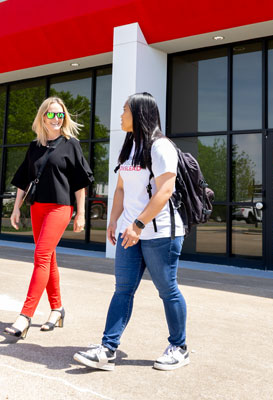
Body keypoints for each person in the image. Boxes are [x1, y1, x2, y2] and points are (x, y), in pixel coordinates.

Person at [73, 92, 189, 372]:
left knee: (167, 290)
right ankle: (107, 349)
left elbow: (165, 190)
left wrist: (138, 225)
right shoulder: (131, 146)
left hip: (160, 232)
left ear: (139, 114)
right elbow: (122, 188)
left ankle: (179, 347)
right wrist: (114, 220)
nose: (121, 115)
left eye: (125, 110)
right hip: (130, 232)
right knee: (122, 290)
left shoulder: (161, 147)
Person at [5, 97, 93, 339]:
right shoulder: (35, 147)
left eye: (60, 114)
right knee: (49, 258)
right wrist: (16, 208)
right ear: (42, 117)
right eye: (52, 114)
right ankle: (57, 309)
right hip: (37, 208)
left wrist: (81, 213)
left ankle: (25, 315)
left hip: (60, 208)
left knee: (41, 256)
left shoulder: (71, 144)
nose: (57, 119)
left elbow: (80, 183)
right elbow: (23, 179)